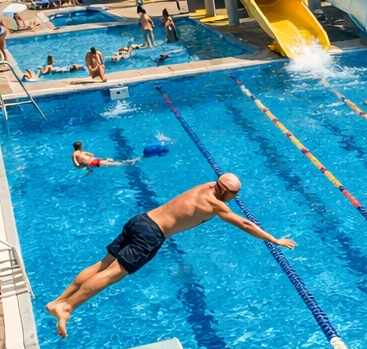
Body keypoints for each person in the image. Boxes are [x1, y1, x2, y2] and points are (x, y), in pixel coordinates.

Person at [45, 174, 296, 337]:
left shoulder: (205, 186)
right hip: (152, 234)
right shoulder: (216, 204)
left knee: (101, 264)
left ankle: (58, 300)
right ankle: (68, 307)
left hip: (141, 219)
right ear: (226, 192)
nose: (234, 199)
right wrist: (274, 239)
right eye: (234, 195)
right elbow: (246, 225)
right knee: (112, 275)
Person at [71, 141, 136, 169]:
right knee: (113, 162)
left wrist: (84, 165)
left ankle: (129, 162)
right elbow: (91, 154)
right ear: (81, 146)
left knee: (113, 163)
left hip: (93, 162)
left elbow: (77, 164)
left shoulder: (76, 153)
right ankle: (129, 162)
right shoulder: (80, 153)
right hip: (94, 160)